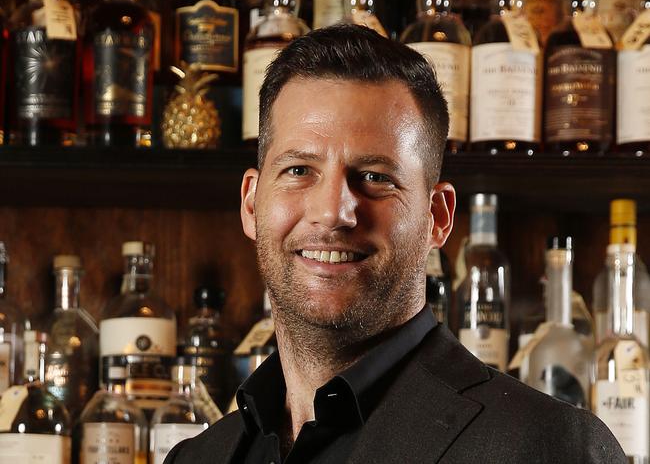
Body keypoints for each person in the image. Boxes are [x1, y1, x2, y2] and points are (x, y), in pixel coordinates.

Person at [165, 24, 625, 464]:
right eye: (299, 170)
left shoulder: (545, 446)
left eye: (374, 177)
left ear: (437, 218)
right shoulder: (196, 458)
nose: (333, 212)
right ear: (251, 203)